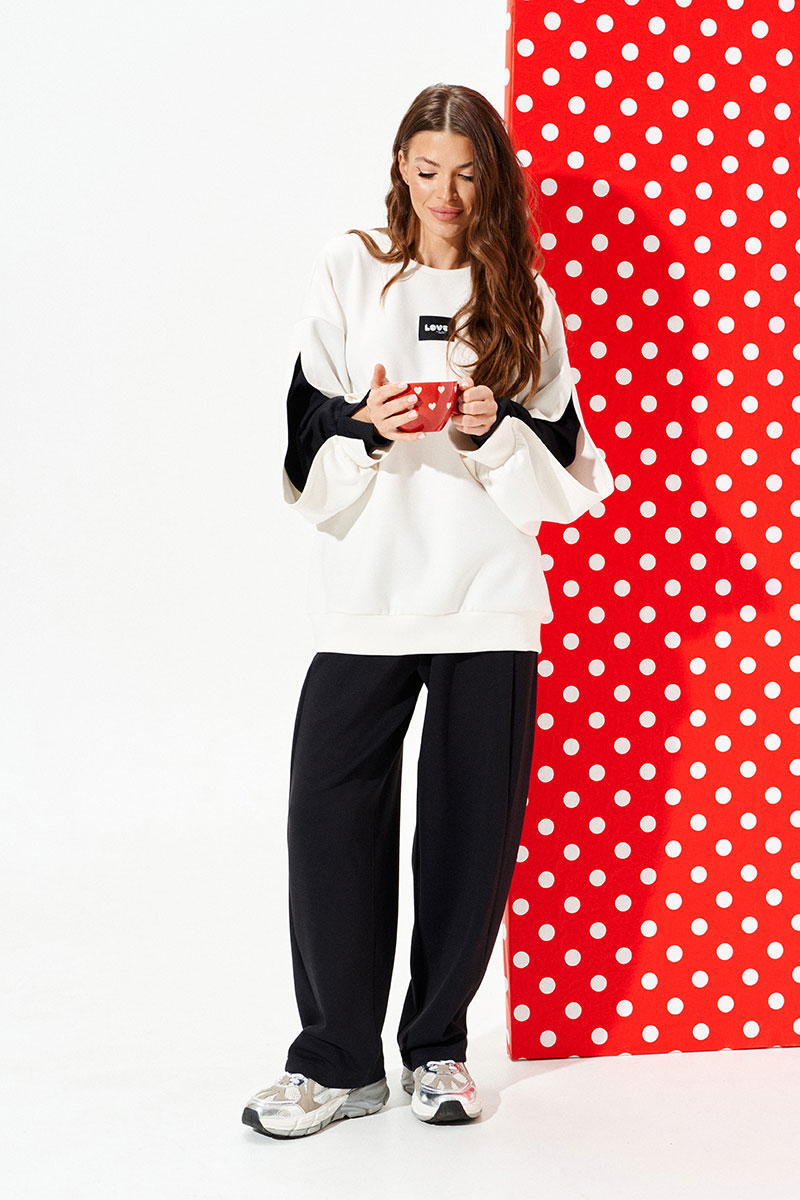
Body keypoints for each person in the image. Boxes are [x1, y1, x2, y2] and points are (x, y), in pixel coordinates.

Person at [242, 83, 615, 1139]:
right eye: (426, 169)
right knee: (328, 817)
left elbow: (567, 484)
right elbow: (301, 444)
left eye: (467, 172)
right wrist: (366, 422)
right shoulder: (348, 267)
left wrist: (491, 430)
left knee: (467, 831)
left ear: (493, 178)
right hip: (368, 595)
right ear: (400, 167)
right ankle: (335, 1062)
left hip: (488, 600)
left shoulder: (523, 295)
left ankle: (437, 1049)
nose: (446, 193)